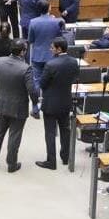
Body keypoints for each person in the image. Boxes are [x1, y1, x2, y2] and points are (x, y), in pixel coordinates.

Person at [0, 39, 38, 173]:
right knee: (14, 135)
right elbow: (32, 90)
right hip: (18, 107)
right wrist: (35, 103)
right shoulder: (26, 68)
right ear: (22, 52)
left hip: (2, 102)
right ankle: (11, 164)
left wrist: (1, 91)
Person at [35, 38, 79, 170]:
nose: (50, 49)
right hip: (65, 102)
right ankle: (65, 158)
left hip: (50, 103)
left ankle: (51, 161)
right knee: (65, 131)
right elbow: (75, 77)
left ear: (59, 49)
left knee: (50, 133)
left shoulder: (50, 64)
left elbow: (42, 83)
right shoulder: (74, 62)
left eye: (52, 47)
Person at [28, 0, 64, 104]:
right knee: (51, 81)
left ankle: (36, 105)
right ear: (49, 8)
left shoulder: (33, 22)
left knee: (36, 81)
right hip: (52, 56)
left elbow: (30, 40)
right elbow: (60, 38)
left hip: (37, 56)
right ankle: (48, 102)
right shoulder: (56, 21)